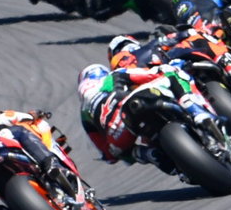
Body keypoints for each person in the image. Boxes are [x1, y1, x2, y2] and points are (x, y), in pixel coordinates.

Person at [76, 39, 217, 168]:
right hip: (130, 104)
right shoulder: (111, 77)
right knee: (170, 73)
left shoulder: (84, 113)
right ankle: (196, 112)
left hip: (118, 134)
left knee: (128, 149)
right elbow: (150, 75)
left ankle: (150, 155)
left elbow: (109, 156)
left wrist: (131, 154)